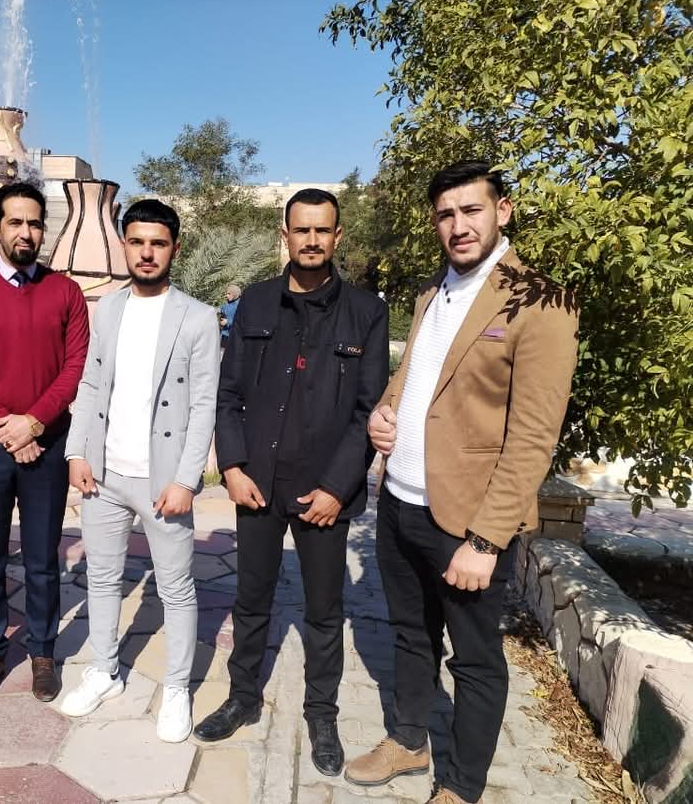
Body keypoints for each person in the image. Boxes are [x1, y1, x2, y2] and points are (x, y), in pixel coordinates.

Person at [345, 161, 579, 804]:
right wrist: (385, 412)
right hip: (400, 502)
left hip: (467, 520)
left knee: (474, 660)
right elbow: (414, 374)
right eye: (446, 214)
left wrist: (485, 540)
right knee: (409, 634)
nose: (459, 225)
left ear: (502, 211)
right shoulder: (433, 291)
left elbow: (533, 436)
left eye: (472, 210)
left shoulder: (541, 301)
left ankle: (463, 785)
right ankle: (408, 740)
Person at [194, 189, 389, 778]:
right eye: (301, 230)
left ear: (338, 236)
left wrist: (337, 487)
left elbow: (368, 409)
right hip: (257, 483)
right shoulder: (254, 303)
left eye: (322, 231)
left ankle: (321, 714)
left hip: (322, 493)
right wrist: (232, 467)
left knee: (324, 613)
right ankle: (243, 697)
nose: (311, 241)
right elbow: (228, 393)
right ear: (285, 235)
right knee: (251, 601)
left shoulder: (365, 312)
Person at [60, 199, 220, 741]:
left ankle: (176, 688)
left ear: (174, 248)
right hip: (104, 475)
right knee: (103, 578)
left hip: (162, 481)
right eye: (137, 242)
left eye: (158, 243)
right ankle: (104, 670)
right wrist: (77, 452)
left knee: (176, 588)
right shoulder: (107, 308)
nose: (146, 253)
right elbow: (90, 383)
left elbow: (204, 404)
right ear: (124, 245)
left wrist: (186, 480)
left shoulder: (197, 317)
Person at [0, 182, 90, 705]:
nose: (26, 232)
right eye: (15, 222)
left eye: (34, 223)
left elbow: (74, 368)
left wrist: (34, 423)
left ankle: (43, 651)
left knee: (42, 557)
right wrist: (7, 426)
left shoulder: (65, 292)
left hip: (46, 443)